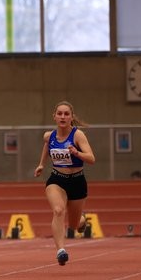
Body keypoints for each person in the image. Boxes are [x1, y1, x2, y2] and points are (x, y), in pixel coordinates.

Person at [34, 100, 95, 266]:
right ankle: (61, 251)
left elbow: (91, 158)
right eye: (59, 113)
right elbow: (47, 146)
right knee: (58, 210)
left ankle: (81, 220)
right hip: (57, 179)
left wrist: (77, 153)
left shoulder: (78, 135)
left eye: (66, 114)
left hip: (77, 181)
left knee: (74, 225)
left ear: (71, 117)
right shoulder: (49, 135)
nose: (63, 116)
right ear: (54, 116)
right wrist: (41, 164)